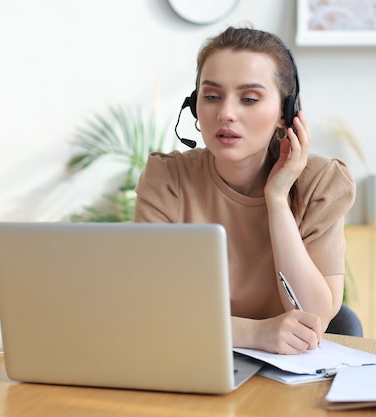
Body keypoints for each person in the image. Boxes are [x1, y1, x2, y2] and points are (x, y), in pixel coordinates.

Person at [133, 25, 355, 355]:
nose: (226, 113)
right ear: (195, 106)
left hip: (292, 372)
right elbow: (150, 308)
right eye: (211, 96)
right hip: (192, 357)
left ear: (286, 113)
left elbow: (314, 316)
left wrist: (277, 198)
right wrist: (251, 333)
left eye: (249, 99)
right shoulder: (167, 178)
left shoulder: (321, 182)